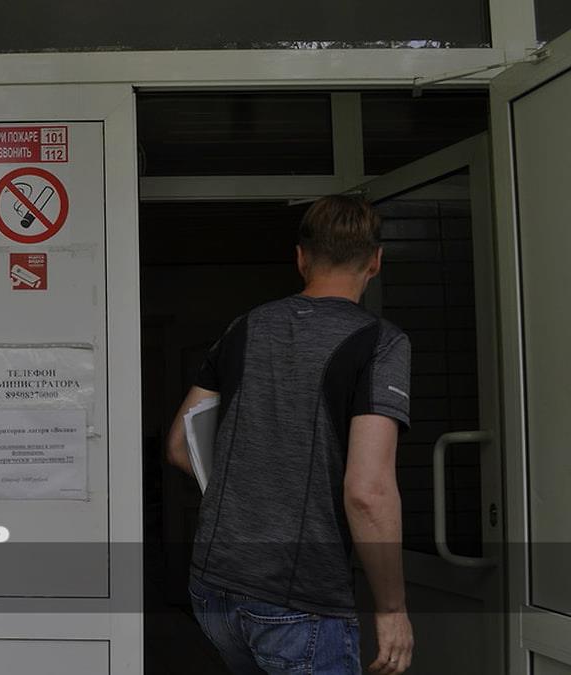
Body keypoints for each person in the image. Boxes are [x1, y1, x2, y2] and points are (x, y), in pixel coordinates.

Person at [166, 195, 414, 675]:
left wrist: (248, 492)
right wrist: (392, 608)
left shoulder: (246, 327)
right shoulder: (381, 342)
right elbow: (368, 492)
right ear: (375, 261)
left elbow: (180, 445)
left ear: (301, 259)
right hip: (298, 599)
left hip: (215, 585)